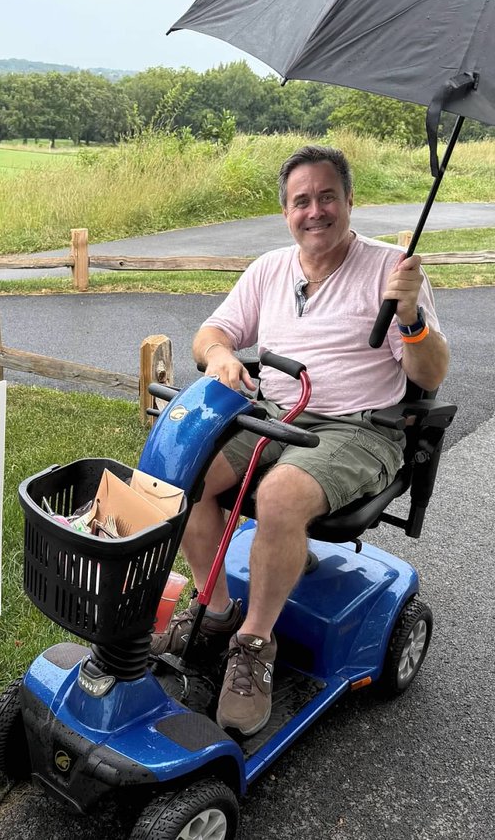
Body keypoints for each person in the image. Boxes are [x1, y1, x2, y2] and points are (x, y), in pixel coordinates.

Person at [150, 145, 450, 736]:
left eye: (327, 196)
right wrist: (219, 359)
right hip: (275, 412)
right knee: (179, 474)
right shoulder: (269, 269)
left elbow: (430, 375)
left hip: (360, 427)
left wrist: (410, 316)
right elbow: (213, 333)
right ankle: (214, 613)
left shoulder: (393, 272)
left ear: (349, 200)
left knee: (281, 497)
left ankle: (254, 646)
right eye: (301, 200)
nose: (315, 210)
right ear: (286, 210)